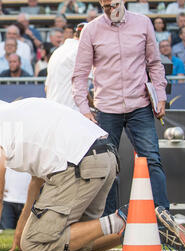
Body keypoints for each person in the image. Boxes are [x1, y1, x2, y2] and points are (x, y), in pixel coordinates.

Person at [0, 90, 185, 251]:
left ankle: (130, 217)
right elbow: (38, 179)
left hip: (79, 164)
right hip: (104, 157)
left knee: (36, 244)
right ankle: (147, 229)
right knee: (77, 242)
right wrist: (22, 225)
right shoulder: (19, 109)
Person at [72, 0, 170, 216]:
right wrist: (84, 110)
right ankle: (107, 226)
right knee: (107, 168)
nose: (111, 9)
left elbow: (154, 64)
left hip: (140, 105)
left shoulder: (143, 23)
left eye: (114, 4)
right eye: (106, 6)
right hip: (106, 108)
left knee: (152, 159)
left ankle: (164, 220)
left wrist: (160, 97)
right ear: (100, 3)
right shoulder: (91, 30)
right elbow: (79, 74)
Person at [45, 23, 85, 111]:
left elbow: (46, 87)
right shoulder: (82, 51)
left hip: (52, 108)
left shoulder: (57, 51)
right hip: (70, 110)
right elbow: (81, 89)